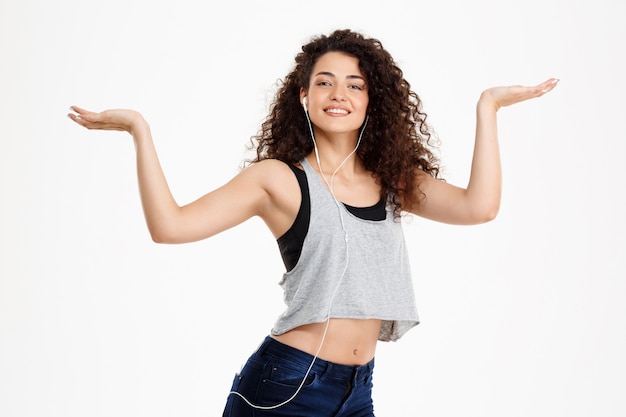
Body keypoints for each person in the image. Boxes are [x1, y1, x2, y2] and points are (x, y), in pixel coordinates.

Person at [68, 29, 558, 417]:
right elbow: (169, 226)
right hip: (287, 385)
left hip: (357, 391)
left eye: (355, 84)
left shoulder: (393, 180)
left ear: (372, 101)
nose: (338, 93)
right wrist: (140, 131)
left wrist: (487, 108)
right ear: (303, 96)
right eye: (324, 81)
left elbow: (480, 207)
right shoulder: (278, 179)